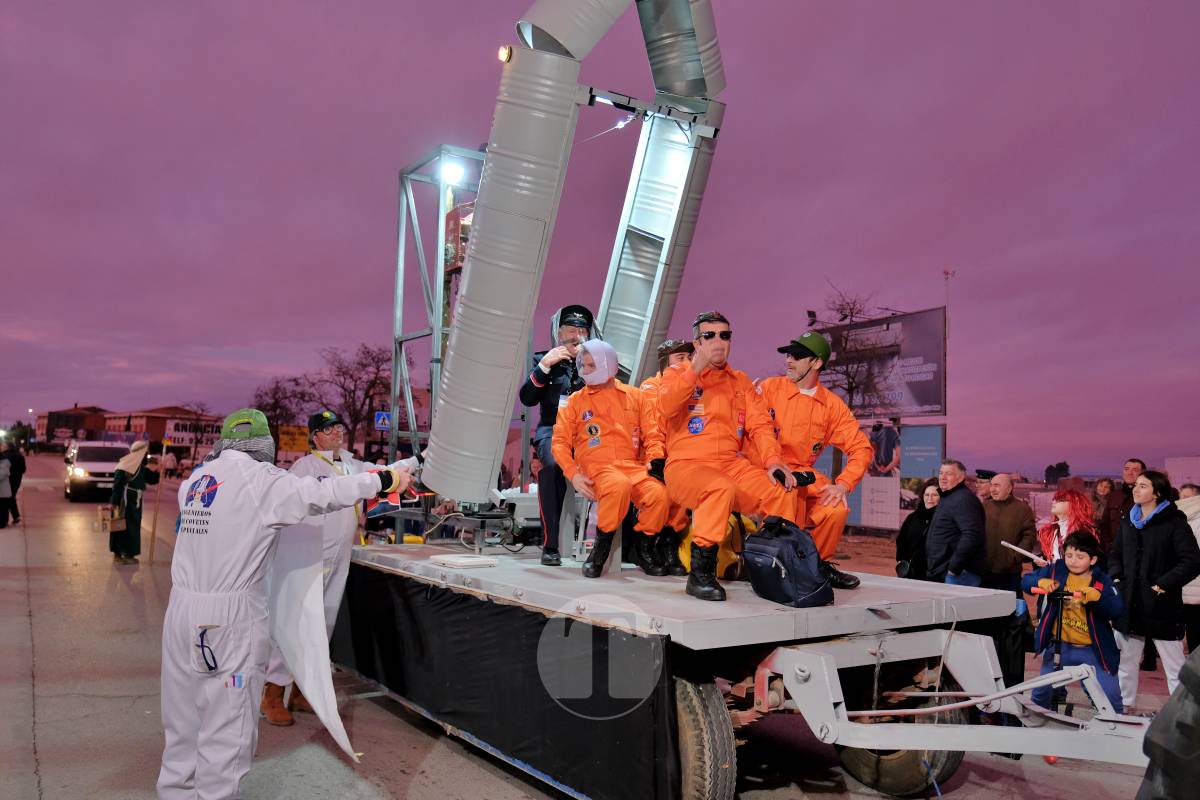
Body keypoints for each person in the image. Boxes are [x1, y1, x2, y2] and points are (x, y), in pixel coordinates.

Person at [157, 408, 409, 799]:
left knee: (183, 719)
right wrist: (385, 480)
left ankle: (175, 793)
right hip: (229, 622)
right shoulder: (263, 482)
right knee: (228, 724)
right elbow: (324, 495)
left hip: (181, 616)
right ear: (263, 444)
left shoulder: (195, 481)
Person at [261, 409, 420, 726]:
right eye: (328, 428)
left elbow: (385, 472)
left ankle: (302, 691)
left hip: (338, 558)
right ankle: (273, 692)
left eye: (338, 427)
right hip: (307, 558)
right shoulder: (303, 467)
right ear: (315, 436)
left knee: (322, 627)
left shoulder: (350, 464)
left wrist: (419, 459)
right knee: (295, 624)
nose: (336, 432)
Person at [658, 311, 799, 601]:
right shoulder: (677, 374)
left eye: (725, 335)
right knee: (717, 487)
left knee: (781, 489)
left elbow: (760, 425)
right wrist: (694, 368)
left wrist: (773, 461)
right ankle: (700, 574)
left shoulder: (740, 382)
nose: (718, 341)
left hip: (731, 464)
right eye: (709, 335)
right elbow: (667, 408)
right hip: (687, 465)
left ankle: (776, 567)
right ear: (697, 342)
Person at [754, 331, 873, 590]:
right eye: (788, 355)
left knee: (835, 507)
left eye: (797, 356)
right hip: (764, 468)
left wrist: (843, 484)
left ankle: (816, 567)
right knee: (786, 494)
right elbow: (753, 430)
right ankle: (779, 567)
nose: (788, 361)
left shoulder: (832, 405)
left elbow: (861, 448)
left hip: (802, 473)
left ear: (816, 363)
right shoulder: (769, 388)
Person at [552, 340, 669, 578]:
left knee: (659, 495)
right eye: (582, 365)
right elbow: (559, 443)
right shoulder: (574, 401)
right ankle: (600, 548)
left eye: (591, 365)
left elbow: (653, 434)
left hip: (632, 466)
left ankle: (644, 548)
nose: (585, 371)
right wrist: (573, 475)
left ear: (608, 364)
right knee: (618, 485)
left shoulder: (635, 396)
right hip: (597, 468)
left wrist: (656, 460)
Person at [1110, 471, 1200, 709]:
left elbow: (1191, 561)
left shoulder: (1174, 523)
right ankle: (1124, 707)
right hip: (1130, 604)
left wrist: (1163, 584)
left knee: (1174, 667)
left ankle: (1182, 715)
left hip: (1162, 605)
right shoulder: (1128, 521)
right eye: (1135, 485)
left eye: (1142, 486)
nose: (1135, 490)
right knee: (1126, 664)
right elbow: (1116, 554)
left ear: (1157, 493)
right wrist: (1117, 579)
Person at [519, 304, 594, 566]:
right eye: (570, 330)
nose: (576, 335)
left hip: (588, 432)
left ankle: (604, 545)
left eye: (581, 330)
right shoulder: (544, 359)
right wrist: (545, 366)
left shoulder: (596, 360)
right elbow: (527, 398)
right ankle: (550, 544)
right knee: (551, 466)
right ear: (558, 333)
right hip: (553, 429)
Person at [1022, 532, 1125, 713]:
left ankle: (1116, 725)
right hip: (1060, 647)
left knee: (1111, 695)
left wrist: (1097, 598)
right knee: (1041, 692)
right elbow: (1026, 581)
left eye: (1080, 556)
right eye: (1069, 555)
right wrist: (1041, 580)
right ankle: (1035, 723)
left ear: (1092, 560)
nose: (1073, 561)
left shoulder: (1102, 580)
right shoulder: (1056, 570)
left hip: (1093, 649)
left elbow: (1116, 609)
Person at [637, 338, 696, 576]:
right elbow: (652, 426)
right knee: (660, 497)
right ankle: (646, 547)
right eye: (680, 358)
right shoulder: (650, 388)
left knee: (682, 497)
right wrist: (657, 457)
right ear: (664, 363)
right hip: (652, 458)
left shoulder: (689, 388)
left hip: (678, 457)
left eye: (689, 358)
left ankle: (670, 545)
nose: (687, 363)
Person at [981, 473, 1038, 690]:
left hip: (1009, 575)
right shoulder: (984, 507)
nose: (993, 489)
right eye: (992, 485)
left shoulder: (1022, 509)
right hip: (985, 575)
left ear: (1010, 488)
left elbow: (1029, 535)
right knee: (987, 624)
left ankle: (1010, 673)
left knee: (1011, 625)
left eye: (998, 485)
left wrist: (1015, 556)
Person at [924, 459, 986, 585]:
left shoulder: (963, 499)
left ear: (961, 477)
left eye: (949, 474)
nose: (943, 477)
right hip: (947, 573)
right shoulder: (949, 497)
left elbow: (972, 535)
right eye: (941, 473)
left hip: (959, 575)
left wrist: (954, 568)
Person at [109, 440, 160, 565]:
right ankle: (117, 555)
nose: (146, 455)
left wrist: (159, 471)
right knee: (119, 526)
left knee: (133, 527)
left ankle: (128, 554)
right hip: (123, 501)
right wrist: (113, 502)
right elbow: (117, 486)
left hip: (135, 501)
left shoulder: (141, 467)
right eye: (145, 453)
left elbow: (152, 479)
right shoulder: (124, 466)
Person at [1035, 489, 1101, 568]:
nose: (1054, 501)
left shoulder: (1086, 532)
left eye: (1060, 500)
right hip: (1054, 577)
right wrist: (1044, 561)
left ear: (1074, 504)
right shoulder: (1051, 532)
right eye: (1054, 499)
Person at [895, 478, 939, 581]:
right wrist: (901, 560)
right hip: (911, 573)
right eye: (927, 495)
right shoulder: (913, 517)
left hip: (933, 576)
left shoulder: (944, 520)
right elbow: (901, 540)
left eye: (935, 495)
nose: (930, 498)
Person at [1178, 487, 1200, 652]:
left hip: (1193, 584)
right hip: (1183, 583)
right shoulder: (1180, 518)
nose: (1182, 500)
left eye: (1186, 497)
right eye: (1181, 496)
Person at [1, 439, 26, 525]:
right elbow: (23, 469)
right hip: (17, 481)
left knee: (5, 500)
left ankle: (5, 520)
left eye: (3, 446)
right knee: (10, 498)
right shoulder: (20, 455)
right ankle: (15, 517)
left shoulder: (4, 456)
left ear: (7, 447)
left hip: (6, 481)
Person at [1091, 477, 1119, 557]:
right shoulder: (1090, 501)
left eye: (1106, 487)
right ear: (1096, 486)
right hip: (1090, 535)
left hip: (1105, 538)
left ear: (1111, 490)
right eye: (1101, 485)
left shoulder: (1112, 503)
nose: (1103, 488)